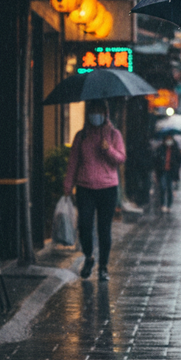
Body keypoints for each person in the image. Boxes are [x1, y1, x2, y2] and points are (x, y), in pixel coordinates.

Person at [63, 99, 126, 281]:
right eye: (93, 112)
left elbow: (121, 159)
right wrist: (68, 184)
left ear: (106, 114)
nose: (95, 116)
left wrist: (108, 150)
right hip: (85, 188)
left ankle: (104, 267)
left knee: (104, 229)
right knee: (84, 226)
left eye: (99, 112)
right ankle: (89, 256)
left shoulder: (114, 135)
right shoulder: (81, 136)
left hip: (108, 188)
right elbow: (73, 162)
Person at [153, 134, 181, 213]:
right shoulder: (160, 149)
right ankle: (162, 204)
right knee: (162, 187)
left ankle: (169, 205)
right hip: (162, 171)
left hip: (171, 171)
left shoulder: (175, 149)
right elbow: (156, 161)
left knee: (169, 188)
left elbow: (178, 161)